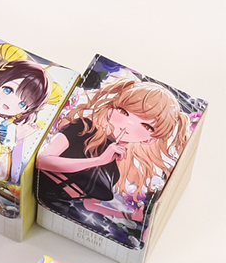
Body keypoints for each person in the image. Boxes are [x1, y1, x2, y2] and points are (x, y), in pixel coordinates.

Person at [36, 74, 190, 224]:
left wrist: (127, 216)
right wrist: (98, 160)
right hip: (36, 189)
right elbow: (42, 160)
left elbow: (87, 204)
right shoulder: (83, 128)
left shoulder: (114, 171)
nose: (129, 123)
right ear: (111, 111)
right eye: (124, 111)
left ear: (150, 139)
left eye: (146, 126)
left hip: (58, 207)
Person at [0, 58, 50, 182]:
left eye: (22, 104)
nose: (12, 102)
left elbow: (11, 176)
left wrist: (19, 138)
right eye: (8, 90)